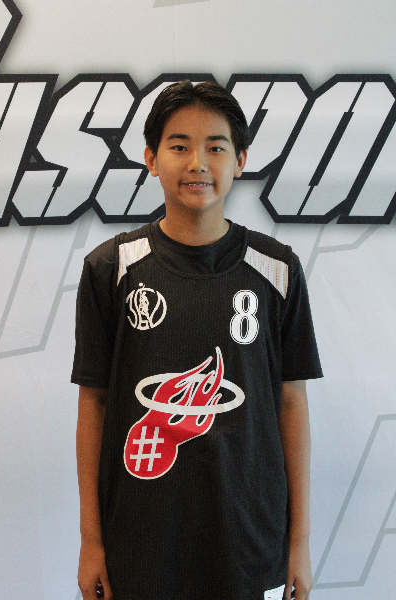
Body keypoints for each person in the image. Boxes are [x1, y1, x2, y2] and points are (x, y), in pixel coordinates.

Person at [72, 80, 323, 600]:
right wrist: (91, 541)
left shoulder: (277, 269)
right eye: (179, 145)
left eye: (216, 147)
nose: (197, 163)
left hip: (247, 535)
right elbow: (94, 402)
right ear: (151, 158)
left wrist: (298, 542)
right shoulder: (110, 268)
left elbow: (291, 402)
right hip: (140, 535)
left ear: (241, 160)